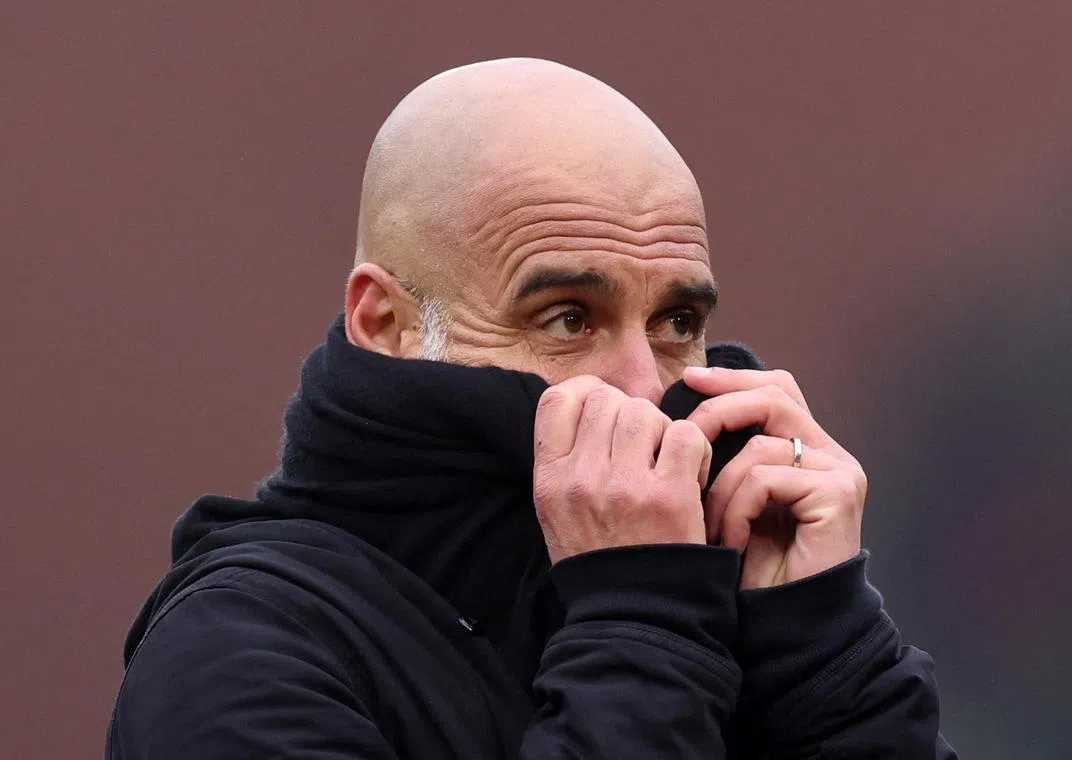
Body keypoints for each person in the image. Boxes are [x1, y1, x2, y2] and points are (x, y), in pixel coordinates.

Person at [106, 58, 956, 759]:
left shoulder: (731, 604)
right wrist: (642, 627)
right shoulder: (234, 652)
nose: (641, 388)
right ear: (387, 324)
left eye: (676, 323)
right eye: (568, 319)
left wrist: (828, 660)